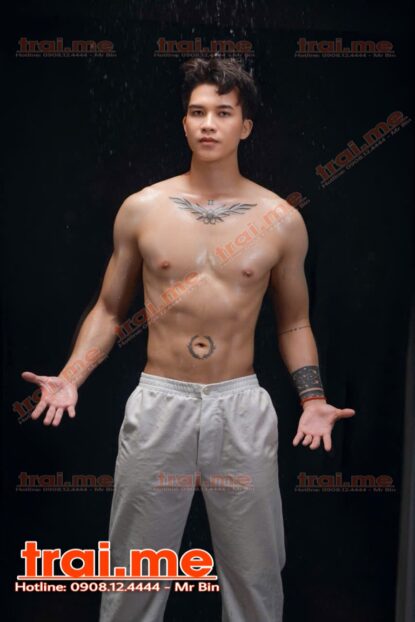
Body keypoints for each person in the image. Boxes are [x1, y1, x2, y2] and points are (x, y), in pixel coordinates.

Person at [22, 57, 355, 621]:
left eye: (223, 113)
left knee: (255, 577)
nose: (208, 124)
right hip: (161, 402)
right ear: (183, 123)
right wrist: (71, 377)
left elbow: (294, 322)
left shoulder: (279, 219)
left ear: (245, 126)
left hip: (239, 406)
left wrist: (313, 398)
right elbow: (109, 309)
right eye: (198, 112)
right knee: (134, 574)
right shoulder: (143, 209)